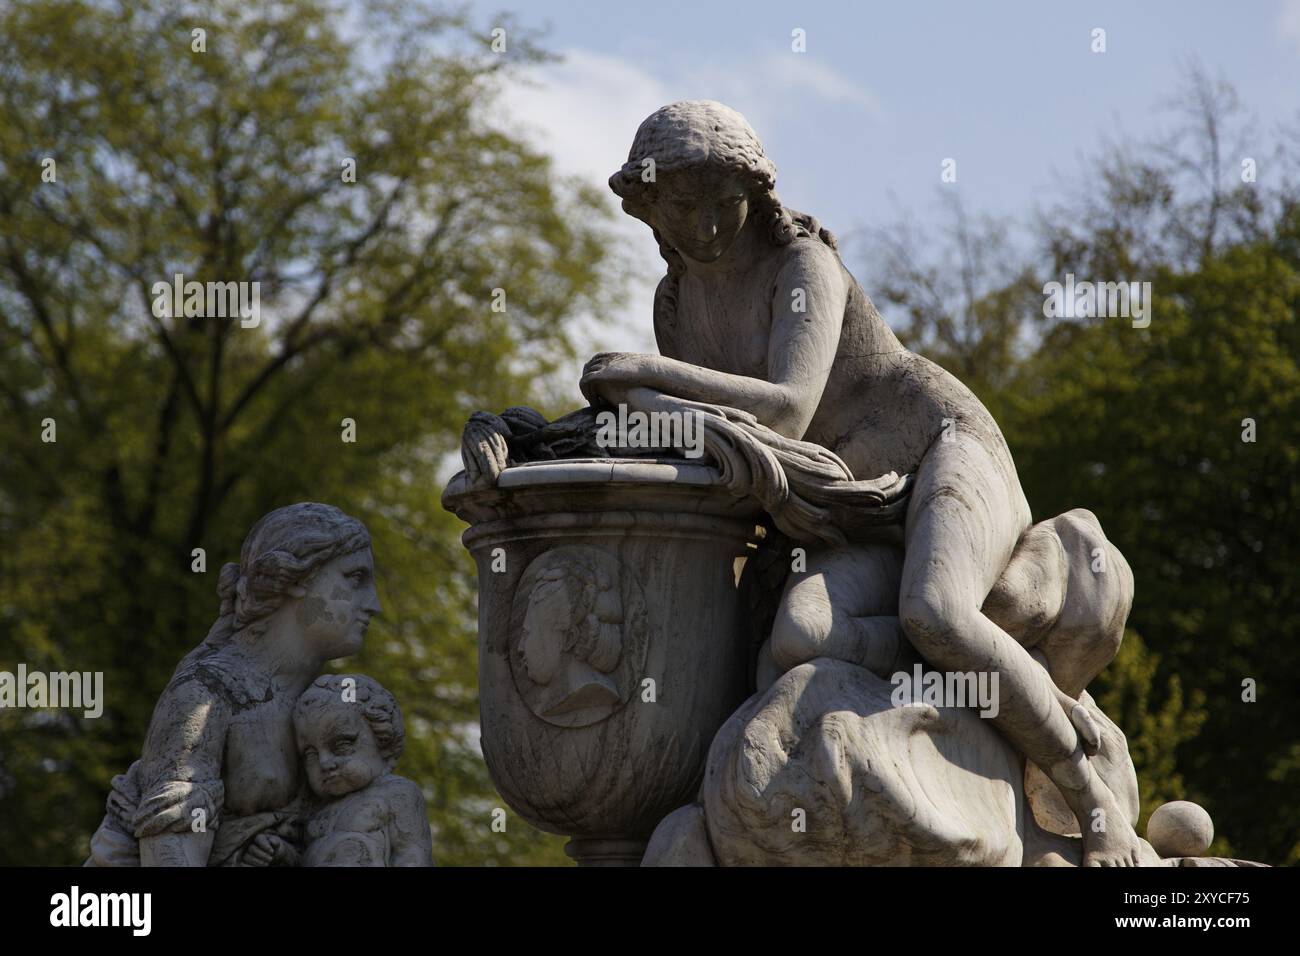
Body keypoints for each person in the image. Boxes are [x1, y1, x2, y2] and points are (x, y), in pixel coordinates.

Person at [581, 101, 1152, 865]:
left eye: (727, 199)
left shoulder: (801, 267)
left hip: (941, 450)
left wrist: (637, 375)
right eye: (683, 203)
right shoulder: (677, 303)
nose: (709, 222)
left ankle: (1090, 798)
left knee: (936, 608)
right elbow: (713, 433)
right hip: (851, 508)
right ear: (648, 204)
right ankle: (968, 680)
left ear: (758, 196)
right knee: (795, 640)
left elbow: (785, 411)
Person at [86, 503, 380, 866]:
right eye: (355, 578)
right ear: (298, 578)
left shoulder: (328, 705)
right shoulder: (205, 696)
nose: (374, 604)